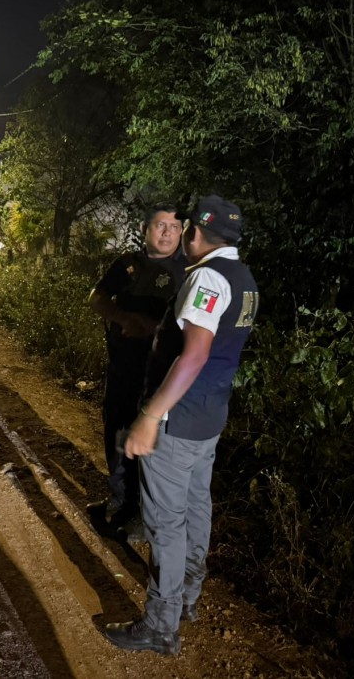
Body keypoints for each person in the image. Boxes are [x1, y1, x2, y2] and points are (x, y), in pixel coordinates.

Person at [104, 195, 259, 656]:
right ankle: (189, 596)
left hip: (179, 418)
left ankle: (160, 624)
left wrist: (150, 416)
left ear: (194, 234)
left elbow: (195, 354)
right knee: (196, 507)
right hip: (209, 416)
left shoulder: (207, 278)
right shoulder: (243, 277)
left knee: (166, 523)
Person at [87, 204, 186, 534]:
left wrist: (153, 327)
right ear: (145, 230)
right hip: (124, 368)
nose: (166, 232)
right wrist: (125, 319)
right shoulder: (128, 265)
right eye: (159, 225)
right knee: (117, 431)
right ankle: (121, 501)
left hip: (164, 376)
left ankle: (146, 512)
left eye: (174, 227)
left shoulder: (189, 273)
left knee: (155, 441)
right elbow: (97, 298)